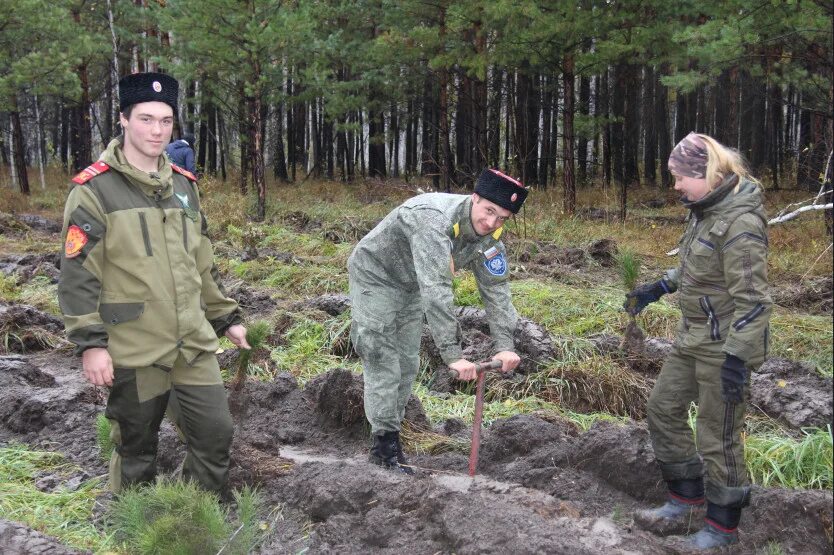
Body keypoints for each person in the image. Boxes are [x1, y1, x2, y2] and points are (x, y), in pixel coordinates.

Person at [58, 72, 249, 494]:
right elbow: (77, 273)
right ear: (124, 120)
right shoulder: (95, 190)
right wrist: (91, 344)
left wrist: (224, 317)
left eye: (165, 120)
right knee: (137, 450)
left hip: (191, 343)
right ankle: (134, 526)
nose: (157, 130)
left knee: (216, 436)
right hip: (134, 346)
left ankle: (195, 520)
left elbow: (201, 260)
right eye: (146, 119)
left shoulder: (183, 185)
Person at [625, 133, 771, 549]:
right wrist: (660, 287)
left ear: (705, 173)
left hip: (725, 346)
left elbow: (755, 301)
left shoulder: (741, 222)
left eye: (679, 178)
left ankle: (722, 528)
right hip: (692, 338)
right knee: (662, 408)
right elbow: (698, 265)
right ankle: (686, 500)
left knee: (716, 433)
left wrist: (737, 360)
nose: (675, 187)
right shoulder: (704, 210)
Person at [348, 169, 528, 474]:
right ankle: (383, 450)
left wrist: (505, 346)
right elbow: (437, 289)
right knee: (382, 358)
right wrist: (453, 355)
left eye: (502, 218)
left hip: (412, 285)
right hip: (376, 275)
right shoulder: (433, 219)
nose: (492, 223)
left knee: (407, 364)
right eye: (488, 211)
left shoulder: (491, 239)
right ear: (474, 199)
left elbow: (497, 291)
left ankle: (390, 438)